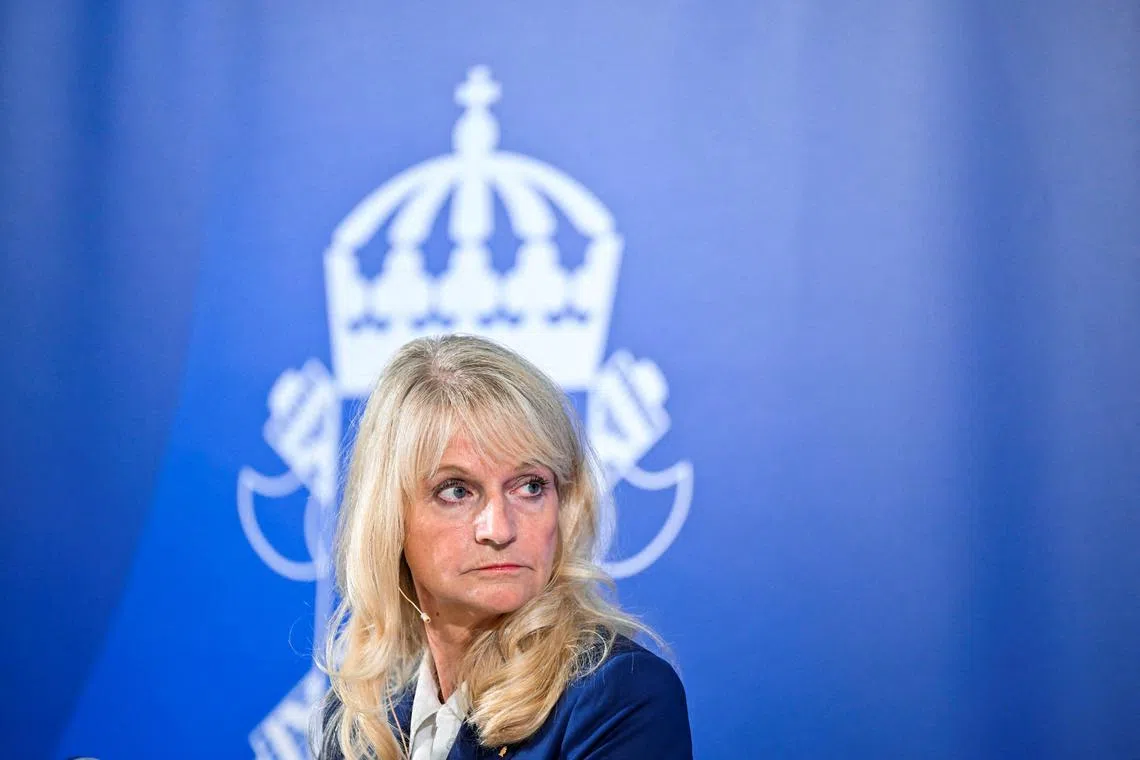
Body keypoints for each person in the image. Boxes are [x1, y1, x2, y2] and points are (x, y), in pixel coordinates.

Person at [314, 335, 692, 760]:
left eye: (530, 486)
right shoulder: (355, 722)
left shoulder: (619, 696)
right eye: (456, 491)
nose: (499, 528)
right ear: (390, 519)